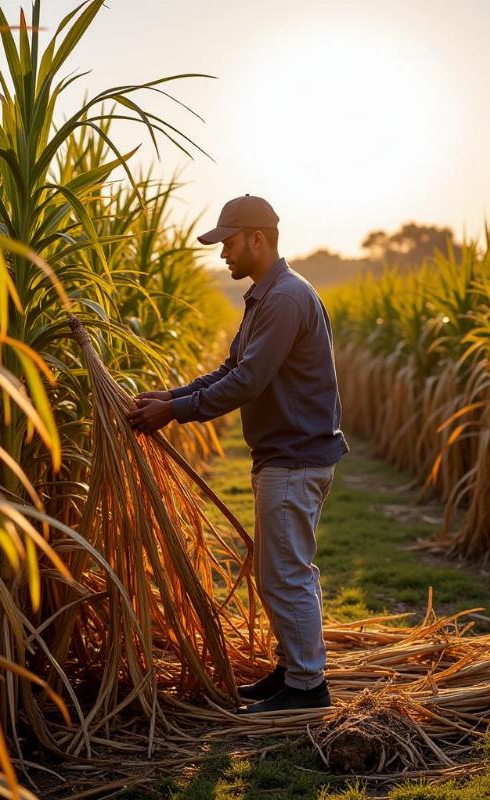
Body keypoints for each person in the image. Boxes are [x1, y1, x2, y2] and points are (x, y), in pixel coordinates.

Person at [127, 194, 348, 713]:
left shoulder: (286, 299)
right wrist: (171, 398)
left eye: (227, 242)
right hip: (285, 456)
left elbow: (247, 382)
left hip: (294, 457)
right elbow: (231, 369)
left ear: (257, 238)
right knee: (283, 569)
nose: (222, 253)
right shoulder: (265, 297)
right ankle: (294, 670)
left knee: (285, 572)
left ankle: (307, 688)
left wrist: (176, 413)